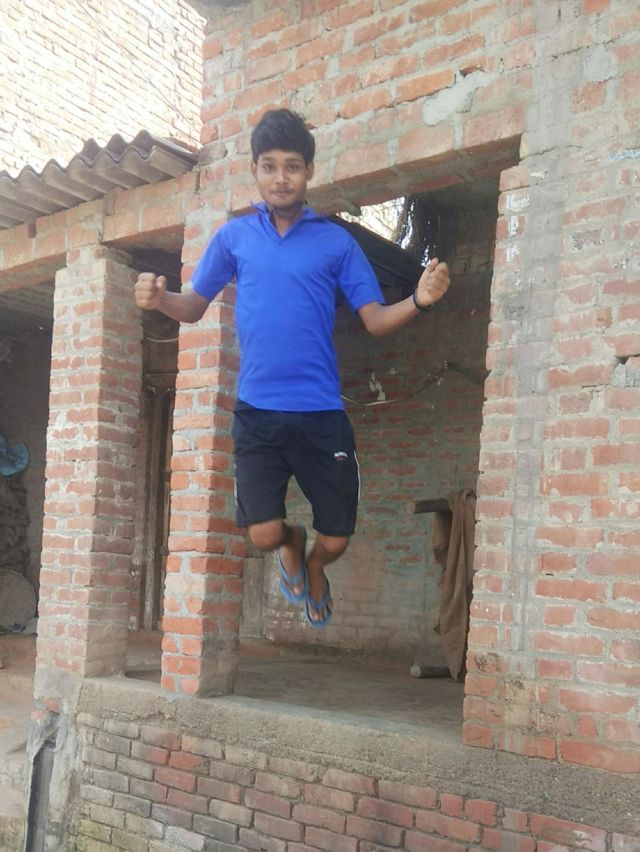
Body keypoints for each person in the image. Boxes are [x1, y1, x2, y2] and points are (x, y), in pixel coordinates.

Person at [135, 108, 450, 628]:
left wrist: (419, 300)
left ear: (308, 172)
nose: (280, 177)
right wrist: (161, 299)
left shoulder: (336, 242)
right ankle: (291, 540)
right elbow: (192, 306)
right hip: (258, 412)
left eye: (292, 166)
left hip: (321, 413)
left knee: (337, 539)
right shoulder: (235, 237)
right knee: (262, 534)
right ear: (255, 171)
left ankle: (316, 564)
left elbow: (374, 320)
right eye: (269, 166)